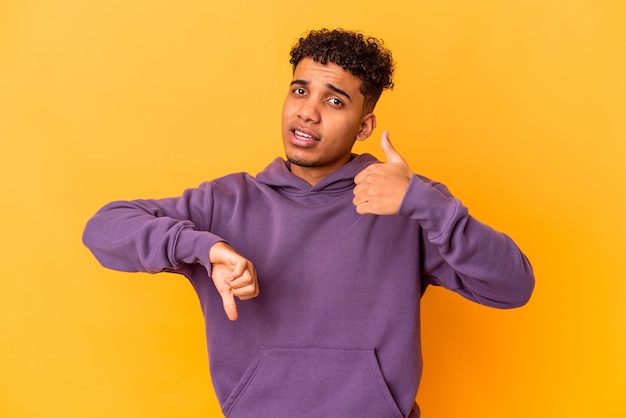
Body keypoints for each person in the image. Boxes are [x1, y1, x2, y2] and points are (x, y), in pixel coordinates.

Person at [83, 28, 534, 418]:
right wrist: (203, 249)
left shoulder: (404, 203)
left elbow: (514, 286)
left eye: (334, 100)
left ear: (364, 125)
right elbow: (103, 228)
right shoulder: (226, 202)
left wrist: (425, 204)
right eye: (300, 91)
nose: (307, 112)